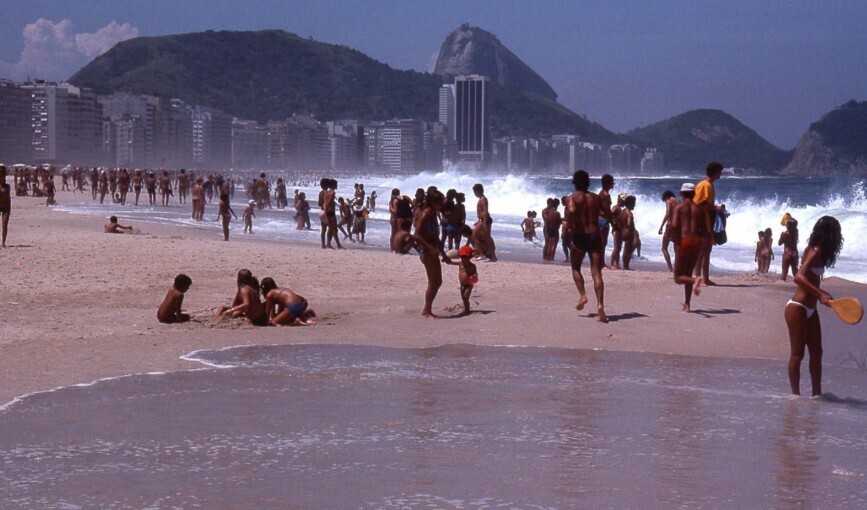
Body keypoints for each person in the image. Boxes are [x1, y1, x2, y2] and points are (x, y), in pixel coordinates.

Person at [785, 216, 843, 396]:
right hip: (798, 307)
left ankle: (817, 396)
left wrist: (822, 294)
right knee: (798, 355)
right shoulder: (815, 250)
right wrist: (819, 294)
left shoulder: (820, 251)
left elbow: (809, 279)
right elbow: (798, 276)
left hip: (811, 309)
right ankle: (795, 397)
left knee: (817, 353)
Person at [564, 169, 611, 322]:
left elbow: (571, 211)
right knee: (596, 271)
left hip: (580, 236)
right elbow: (607, 214)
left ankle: (583, 295)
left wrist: (569, 223)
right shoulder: (596, 198)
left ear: (574, 183)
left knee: (576, 268)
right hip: (595, 235)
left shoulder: (572, 198)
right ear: (588, 182)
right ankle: (600, 306)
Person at [413, 188, 453, 318]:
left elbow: (435, 236)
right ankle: (426, 310)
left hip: (433, 250)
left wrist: (444, 254)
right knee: (434, 281)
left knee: (437, 281)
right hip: (427, 251)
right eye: (440, 202)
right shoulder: (426, 215)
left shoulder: (434, 214)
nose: (441, 205)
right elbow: (416, 235)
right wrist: (430, 248)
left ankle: (427, 309)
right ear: (433, 202)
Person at [670, 183, 707, 312]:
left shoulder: (679, 208)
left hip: (684, 241)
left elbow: (674, 225)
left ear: (681, 193)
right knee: (687, 273)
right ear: (694, 194)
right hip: (697, 241)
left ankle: (696, 280)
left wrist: (674, 239)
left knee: (678, 277)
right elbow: (703, 229)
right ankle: (687, 305)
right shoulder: (699, 209)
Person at [694, 161, 724, 285]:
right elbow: (701, 203)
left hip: (706, 220)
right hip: (700, 221)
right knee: (702, 250)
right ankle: (698, 278)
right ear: (715, 172)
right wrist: (715, 208)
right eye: (720, 171)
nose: (721, 174)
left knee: (707, 250)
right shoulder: (705, 185)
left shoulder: (708, 184)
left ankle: (705, 278)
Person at [658, 190, 678, 271]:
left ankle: (670, 268)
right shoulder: (679, 201)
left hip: (670, 226)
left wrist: (661, 226)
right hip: (678, 226)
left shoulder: (668, 201)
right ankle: (677, 267)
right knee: (677, 249)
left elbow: (668, 213)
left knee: (664, 247)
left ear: (666, 197)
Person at [456, 245, 479, 315]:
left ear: (470, 257)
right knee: (463, 298)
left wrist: (474, 276)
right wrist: (446, 259)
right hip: (462, 284)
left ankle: (467, 311)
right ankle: (466, 309)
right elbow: (451, 262)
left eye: (466, 257)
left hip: (469, 284)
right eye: (462, 257)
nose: (464, 259)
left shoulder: (472, 266)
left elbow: (475, 273)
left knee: (466, 296)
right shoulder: (460, 264)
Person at [619, 196, 637, 270]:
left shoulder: (623, 211)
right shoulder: (629, 213)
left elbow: (618, 220)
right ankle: (626, 266)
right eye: (634, 203)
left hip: (623, 231)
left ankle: (625, 266)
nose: (634, 205)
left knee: (625, 250)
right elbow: (629, 223)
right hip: (628, 232)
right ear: (630, 204)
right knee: (628, 250)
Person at [0, 166, 10, 247]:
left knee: (4, 225)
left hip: (6, 207)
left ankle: (3, 242)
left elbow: (8, 198)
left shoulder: (7, 186)